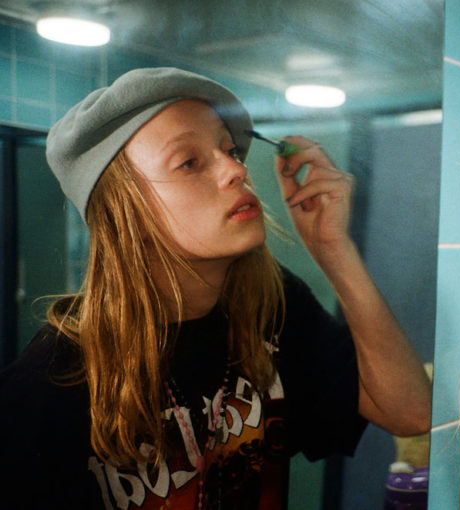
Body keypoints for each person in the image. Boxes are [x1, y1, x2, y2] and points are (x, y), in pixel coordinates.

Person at [0, 67, 431, 509]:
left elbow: (412, 414)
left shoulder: (273, 307)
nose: (237, 169)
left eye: (229, 150)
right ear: (127, 214)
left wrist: (333, 249)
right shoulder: (56, 374)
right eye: (189, 162)